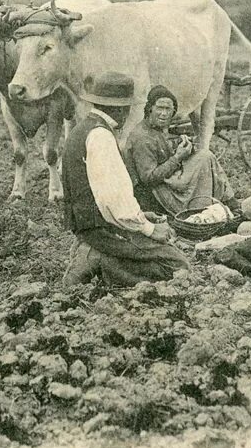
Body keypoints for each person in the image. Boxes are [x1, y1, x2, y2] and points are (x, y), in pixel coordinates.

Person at [61, 72, 190, 287]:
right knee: (177, 264)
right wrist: (149, 229)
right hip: (103, 231)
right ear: (122, 109)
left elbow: (98, 194)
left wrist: (141, 215)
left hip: (90, 226)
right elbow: (112, 198)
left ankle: (99, 254)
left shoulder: (81, 129)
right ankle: (99, 258)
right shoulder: (101, 137)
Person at [124, 85, 238, 215]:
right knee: (204, 159)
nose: (164, 114)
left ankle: (227, 200)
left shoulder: (154, 128)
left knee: (205, 156)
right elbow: (148, 179)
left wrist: (181, 144)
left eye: (168, 109)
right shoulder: (142, 137)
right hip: (154, 194)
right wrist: (177, 157)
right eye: (160, 108)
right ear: (150, 108)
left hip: (165, 182)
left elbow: (161, 149)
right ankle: (204, 207)